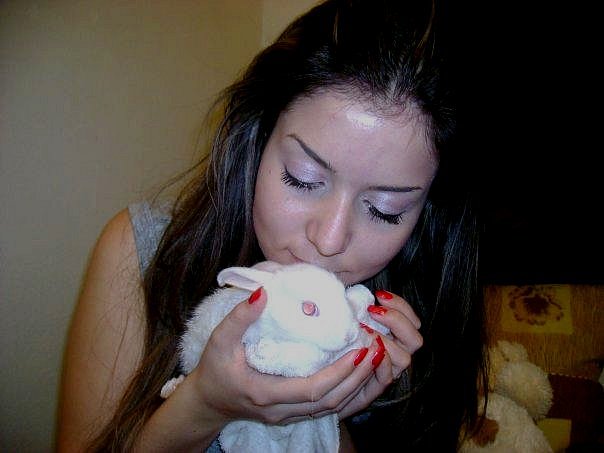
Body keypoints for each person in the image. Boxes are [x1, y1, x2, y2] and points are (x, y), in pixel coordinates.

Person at [57, 0, 487, 451]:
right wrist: (203, 406)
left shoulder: (404, 331)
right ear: (259, 137)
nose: (329, 240)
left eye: (384, 209)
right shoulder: (140, 252)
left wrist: (325, 414)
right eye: (303, 178)